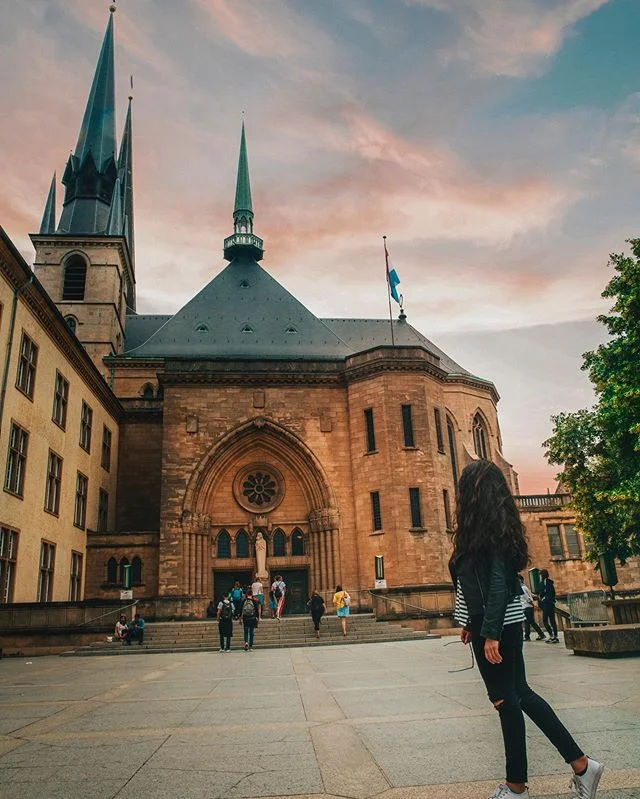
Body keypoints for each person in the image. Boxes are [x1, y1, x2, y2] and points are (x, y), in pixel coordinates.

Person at [450, 460, 603, 799]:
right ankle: (582, 765)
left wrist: (488, 632)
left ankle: (516, 786)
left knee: (504, 700)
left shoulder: (490, 532)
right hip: (492, 623)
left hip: (496, 626)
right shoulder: (491, 529)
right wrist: (470, 622)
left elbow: (497, 584)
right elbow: (477, 584)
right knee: (522, 694)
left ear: (474, 493)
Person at [519, 575, 545, 641]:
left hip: (526, 606)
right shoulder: (525, 587)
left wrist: (532, 604)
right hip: (528, 607)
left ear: (521, 580)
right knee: (530, 622)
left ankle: (527, 636)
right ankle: (540, 634)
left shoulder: (522, 588)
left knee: (527, 622)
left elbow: (527, 598)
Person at [538, 569, 559, 643]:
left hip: (548, 604)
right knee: (551, 620)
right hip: (549, 603)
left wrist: (544, 599)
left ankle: (553, 636)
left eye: (540, 575)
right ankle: (554, 636)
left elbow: (549, 593)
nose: (539, 576)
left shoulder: (547, 582)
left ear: (542, 575)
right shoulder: (546, 582)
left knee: (545, 620)